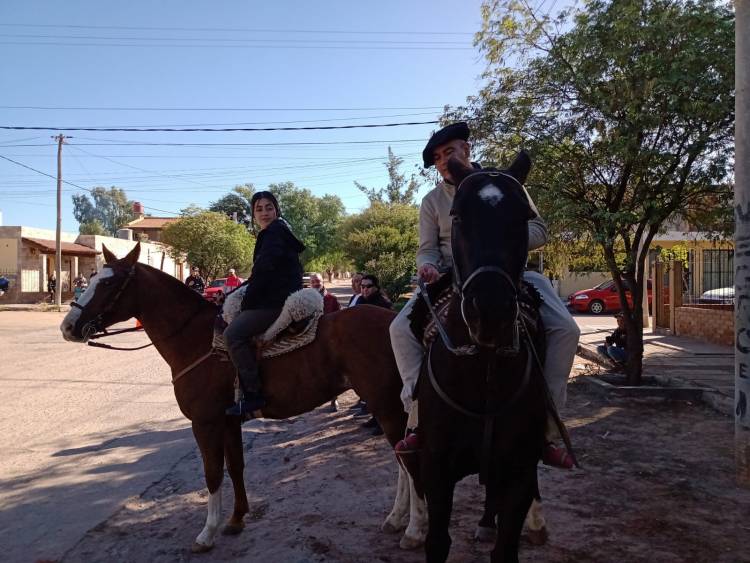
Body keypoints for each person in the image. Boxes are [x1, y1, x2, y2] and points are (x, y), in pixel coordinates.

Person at [389, 122, 581, 468]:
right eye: (436, 158)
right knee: (399, 329)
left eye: (449, 152)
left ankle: (547, 427)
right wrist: (428, 266)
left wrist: (502, 230)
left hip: (508, 271)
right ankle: (418, 418)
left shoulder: (505, 183)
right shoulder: (432, 201)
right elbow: (426, 249)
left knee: (567, 329)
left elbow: (539, 229)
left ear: (467, 149)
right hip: (452, 275)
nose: (444, 161)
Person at [224, 191, 305, 417]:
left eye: (268, 207)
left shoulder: (273, 233)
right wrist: (236, 292)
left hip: (276, 300)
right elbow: (257, 274)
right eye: (258, 209)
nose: (264, 213)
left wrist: (246, 304)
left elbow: (264, 273)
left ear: (276, 210)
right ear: (253, 214)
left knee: (233, 335)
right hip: (278, 295)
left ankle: (253, 394)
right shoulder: (276, 232)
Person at [355, 274, 392, 435]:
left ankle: (383, 423)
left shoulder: (383, 303)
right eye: (362, 286)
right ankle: (375, 417)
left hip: (380, 353)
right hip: (365, 351)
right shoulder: (360, 301)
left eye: (368, 286)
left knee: (382, 390)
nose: (364, 289)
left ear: (376, 287)